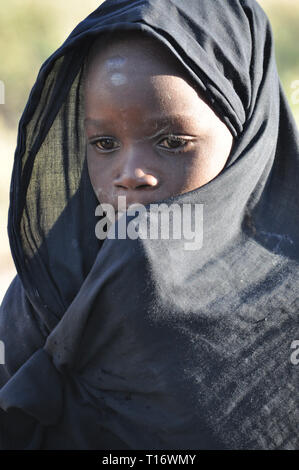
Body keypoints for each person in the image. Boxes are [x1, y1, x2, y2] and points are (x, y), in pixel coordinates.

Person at [0, 0, 298, 450]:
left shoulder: (285, 311)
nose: (130, 173)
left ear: (246, 140)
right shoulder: (47, 290)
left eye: (172, 141)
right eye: (103, 143)